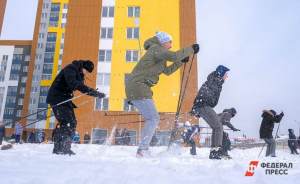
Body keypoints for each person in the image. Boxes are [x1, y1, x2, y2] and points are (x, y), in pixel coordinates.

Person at [125, 31, 199, 157]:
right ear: (163, 41)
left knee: (152, 118)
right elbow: (174, 56)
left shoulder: (158, 54)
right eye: (170, 42)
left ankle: (143, 149)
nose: (170, 45)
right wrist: (190, 49)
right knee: (153, 118)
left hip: (138, 86)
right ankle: (142, 150)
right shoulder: (156, 49)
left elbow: (168, 71)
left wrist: (181, 61)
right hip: (138, 86)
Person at [46, 60, 105, 155]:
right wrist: (93, 92)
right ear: (83, 67)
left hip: (64, 99)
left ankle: (62, 147)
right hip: (57, 98)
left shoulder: (79, 73)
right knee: (67, 122)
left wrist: (95, 93)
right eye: (86, 71)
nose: (86, 73)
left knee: (72, 122)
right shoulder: (71, 69)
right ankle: (61, 148)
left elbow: (79, 85)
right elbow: (74, 84)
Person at [191, 65, 230, 159]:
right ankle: (215, 151)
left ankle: (214, 151)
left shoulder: (216, 81)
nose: (227, 77)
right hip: (203, 105)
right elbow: (205, 95)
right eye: (226, 74)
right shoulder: (214, 81)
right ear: (221, 74)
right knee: (218, 127)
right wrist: (197, 107)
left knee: (217, 127)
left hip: (202, 106)